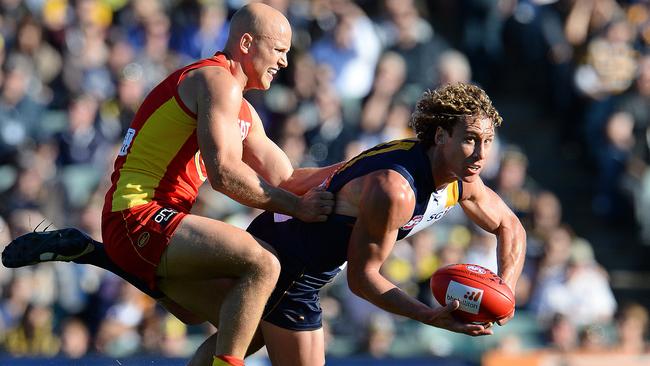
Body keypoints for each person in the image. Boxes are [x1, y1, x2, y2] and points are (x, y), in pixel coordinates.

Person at [5, 83, 526, 364]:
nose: (481, 152)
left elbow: (512, 229)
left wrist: (507, 287)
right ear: (439, 138)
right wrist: (431, 317)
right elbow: (366, 280)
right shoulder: (396, 188)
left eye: (486, 141)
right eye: (469, 139)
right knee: (229, 333)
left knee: (199, 318)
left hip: (295, 259)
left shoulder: (463, 178)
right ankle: (97, 253)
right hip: (288, 271)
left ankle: (93, 252)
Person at [5, 4, 339, 366]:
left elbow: (287, 178)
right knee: (264, 265)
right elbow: (225, 174)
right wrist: (295, 207)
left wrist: (365, 166)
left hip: (149, 224)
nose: (285, 62)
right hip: (138, 215)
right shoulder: (217, 82)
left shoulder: (239, 106)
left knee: (246, 323)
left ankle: (97, 254)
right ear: (246, 42)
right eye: (279, 50)